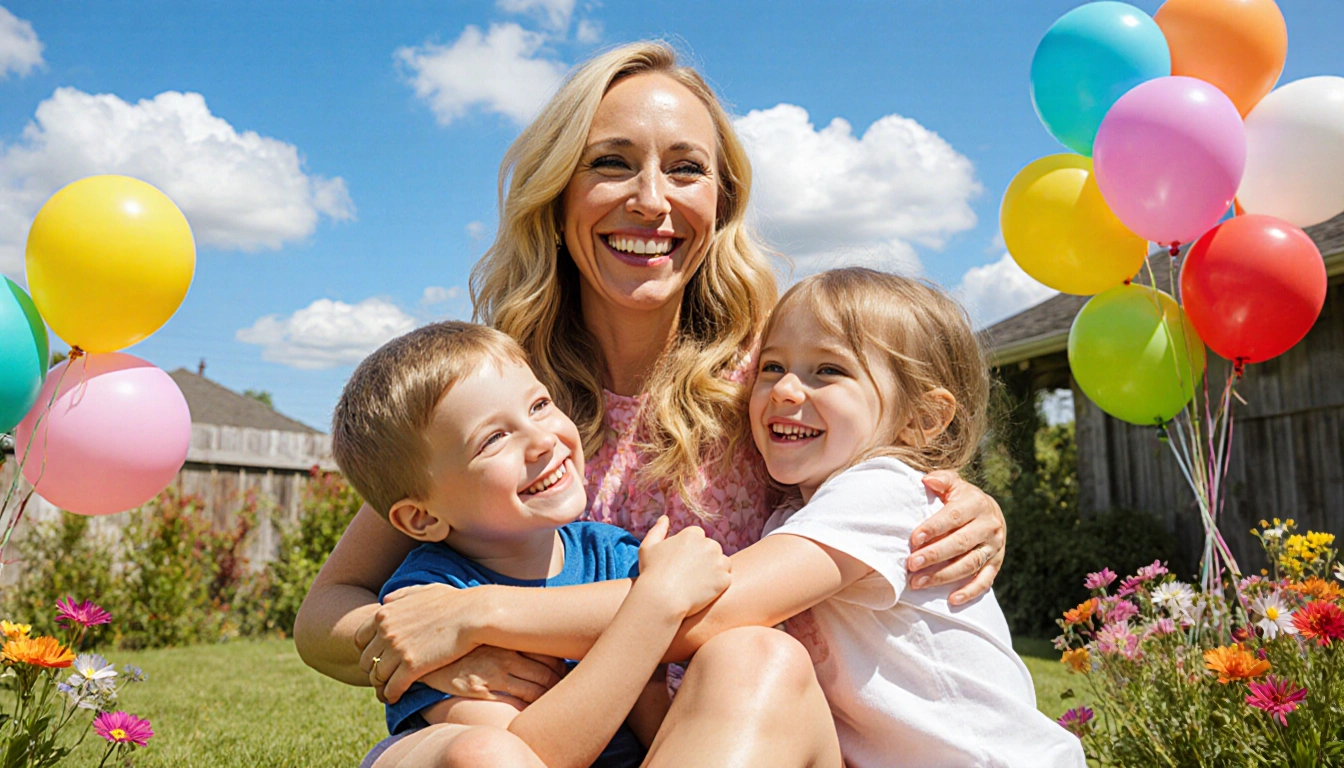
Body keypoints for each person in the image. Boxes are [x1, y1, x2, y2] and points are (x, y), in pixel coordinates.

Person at [295, 41, 1006, 764]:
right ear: (557, 190)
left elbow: (870, 485)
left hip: (729, 737)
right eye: (611, 162)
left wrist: (957, 500)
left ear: (721, 199)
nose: (652, 199)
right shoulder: (501, 396)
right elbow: (327, 610)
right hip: (523, 745)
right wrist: (427, 643)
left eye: (686, 169)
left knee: (753, 656)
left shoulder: (765, 383)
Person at [685, 268, 1085, 766]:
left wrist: (559, 613)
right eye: (771, 367)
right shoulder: (793, 516)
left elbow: (703, 612)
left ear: (921, 419)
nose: (785, 389)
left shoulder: (883, 489)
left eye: (828, 370)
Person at [330, 322, 732, 768]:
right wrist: (654, 605)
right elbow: (530, 755)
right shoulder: (428, 603)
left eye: (540, 405)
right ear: (422, 517)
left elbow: (659, 736)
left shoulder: (613, 557)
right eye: (494, 439)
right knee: (484, 753)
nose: (542, 440)